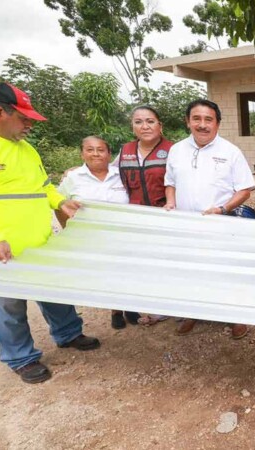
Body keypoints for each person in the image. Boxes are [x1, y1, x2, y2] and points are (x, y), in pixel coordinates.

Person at [0, 82, 100, 384]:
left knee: (55, 294)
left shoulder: (26, 149)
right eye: (24, 118)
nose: (29, 124)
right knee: (6, 306)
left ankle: (68, 333)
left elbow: (42, 186)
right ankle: (21, 358)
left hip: (37, 242)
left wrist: (60, 200)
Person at [164, 99, 255, 338]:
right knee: (193, 271)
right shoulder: (176, 150)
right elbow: (170, 183)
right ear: (188, 121)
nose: (202, 125)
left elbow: (245, 190)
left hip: (222, 224)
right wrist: (171, 202)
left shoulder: (230, 152)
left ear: (217, 123)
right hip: (186, 227)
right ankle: (194, 312)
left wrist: (223, 209)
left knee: (227, 270)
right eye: (197, 119)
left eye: (208, 119)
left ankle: (236, 316)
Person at [58, 136, 137, 329]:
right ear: (82, 153)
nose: (96, 154)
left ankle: (131, 306)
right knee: (107, 273)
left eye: (101, 150)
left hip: (123, 234)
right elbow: (59, 204)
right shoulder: (73, 178)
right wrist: (68, 230)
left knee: (127, 270)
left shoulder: (121, 174)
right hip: (93, 237)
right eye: (90, 150)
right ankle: (115, 310)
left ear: (109, 154)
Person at [118, 106, 174, 327]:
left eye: (150, 121)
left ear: (160, 125)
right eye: (139, 122)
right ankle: (155, 306)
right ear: (132, 127)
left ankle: (175, 306)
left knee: (168, 262)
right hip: (137, 219)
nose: (145, 126)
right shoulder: (125, 151)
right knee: (145, 264)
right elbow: (110, 175)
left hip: (167, 216)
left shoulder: (173, 150)